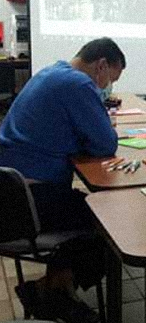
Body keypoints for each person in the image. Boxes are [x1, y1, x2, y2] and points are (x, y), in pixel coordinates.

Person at [0, 37, 126, 322]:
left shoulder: (51, 72)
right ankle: (56, 294)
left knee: (86, 208)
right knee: (106, 220)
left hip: (11, 194)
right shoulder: (79, 84)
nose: (107, 89)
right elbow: (106, 144)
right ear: (101, 65)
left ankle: (50, 289)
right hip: (29, 201)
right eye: (110, 80)